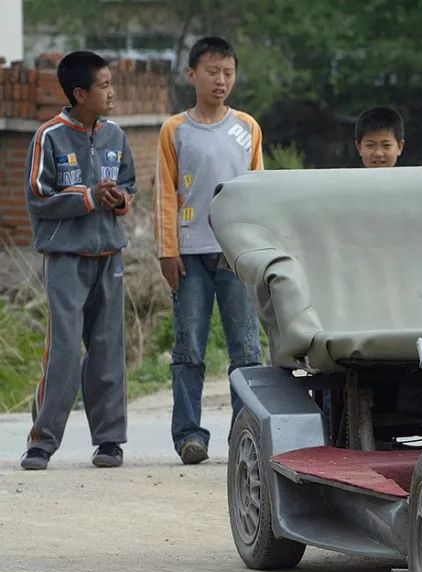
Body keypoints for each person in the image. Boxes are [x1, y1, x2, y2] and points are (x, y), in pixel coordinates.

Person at [20, 51, 136, 471]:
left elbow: (129, 185)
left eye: (111, 84)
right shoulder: (49, 137)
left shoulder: (116, 136)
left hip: (109, 255)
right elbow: (37, 197)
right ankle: (42, 442)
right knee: (65, 352)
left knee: (107, 352)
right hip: (65, 259)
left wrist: (119, 199)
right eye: (104, 86)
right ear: (79, 93)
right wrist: (88, 198)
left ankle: (109, 441)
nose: (112, 92)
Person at [154, 36, 264, 464]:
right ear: (192, 75)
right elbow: (164, 193)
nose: (221, 81)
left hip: (236, 255)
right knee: (189, 349)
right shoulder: (174, 130)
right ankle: (188, 435)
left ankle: (245, 433)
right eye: (212, 72)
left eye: (228, 73)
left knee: (246, 351)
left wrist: (257, 249)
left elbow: (259, 192)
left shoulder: (247, 127)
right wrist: (167, 250)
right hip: (189, 253)